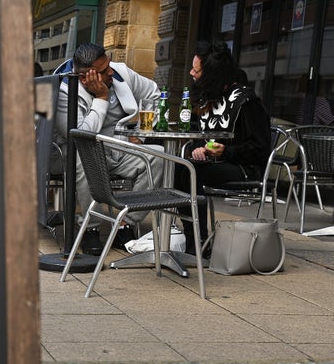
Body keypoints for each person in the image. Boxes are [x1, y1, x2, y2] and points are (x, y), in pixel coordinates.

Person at [54, 43, 164, 255]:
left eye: (108, 64)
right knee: (83, 156)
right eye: (104, 71)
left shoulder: (120, 72)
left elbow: (153, 94)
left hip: (115, 149)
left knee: (157, 157)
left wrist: (140, 132)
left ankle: (124, 224)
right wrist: (101, 98)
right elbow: (81, 136)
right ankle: (90, 228)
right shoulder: (65, 91)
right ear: (86, 77)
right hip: (75, 153)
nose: (110, 71)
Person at [175, 41, 271, 254]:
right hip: (214, 165)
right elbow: (202, 136)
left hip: (245, 169)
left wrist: (226, 151)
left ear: (212, 75)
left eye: (196, 70)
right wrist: (199, 148)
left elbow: (260, 148)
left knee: (192, 173)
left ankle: (197, 243)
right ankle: (192, 237)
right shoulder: (208, 98)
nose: (191, 73)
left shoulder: (247, 102)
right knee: (179, 168)